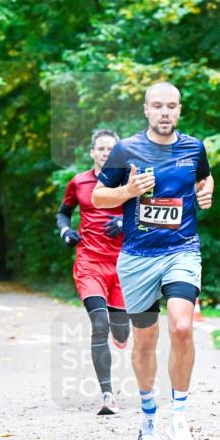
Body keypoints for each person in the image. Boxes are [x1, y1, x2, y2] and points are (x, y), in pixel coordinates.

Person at [92, 82, 213, 440]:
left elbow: (204, 177)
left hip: (182, 250)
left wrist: (208, 191)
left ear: (179, 110)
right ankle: (148, 417)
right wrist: (127, 192)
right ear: (146, 110)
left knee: (180, 326)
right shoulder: (126, 149)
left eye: (171, 106)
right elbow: (99, 197)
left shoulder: (194, 147)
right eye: (158, 106)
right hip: (138, 258)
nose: (165, 112)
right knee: (144, 341)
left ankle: (179, 417)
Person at [57, 129, 131, 416]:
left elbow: (147, 213)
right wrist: (65, 230)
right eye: (100, 148)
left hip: (124, 264)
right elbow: (63, 212)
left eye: (110, 148)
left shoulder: (130, 182)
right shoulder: (79, 182)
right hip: (89, 262)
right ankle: (107, 395)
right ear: (92, 153)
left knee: (121, 330)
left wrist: (125, 225)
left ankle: (122, 333)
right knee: (100, 324)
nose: (105, 152)